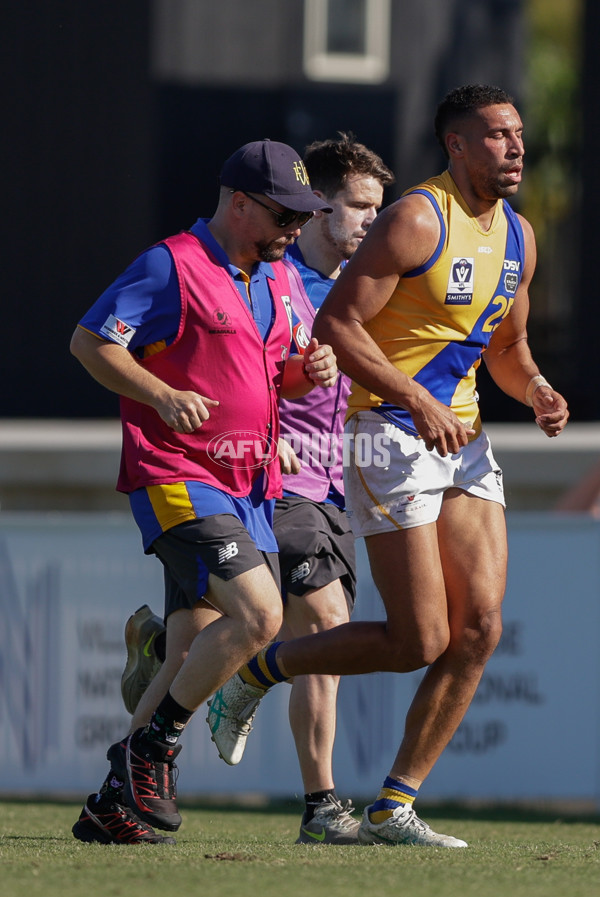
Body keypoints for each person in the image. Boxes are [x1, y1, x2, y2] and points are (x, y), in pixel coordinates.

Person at [202, 84, 570, 848]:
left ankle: (393, 805)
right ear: (458, 145)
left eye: (519, 135)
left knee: (480, 630)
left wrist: (533, 387)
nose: (515, 147)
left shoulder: (520, 238)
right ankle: (255, 673)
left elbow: (505, 347)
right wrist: (414, 397)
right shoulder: (415, 217)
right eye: (497, 135)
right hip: (390, 436)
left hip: (461, 441)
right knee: (417, 640)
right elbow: (337, 324)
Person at [69, 138, 337, 844]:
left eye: (304, 218)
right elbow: (92, 342)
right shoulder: (171, 265)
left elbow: (272, 377)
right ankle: (150, 751)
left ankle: (111, 805)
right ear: (239, 203)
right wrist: (160, 394)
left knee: (192, 646)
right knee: (259, 616)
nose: (295, 230)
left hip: (249, 483)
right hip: (178, 475)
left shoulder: (277, 275)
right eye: (285, 215)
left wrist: (311, 372)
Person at [206, 134, 395, 844]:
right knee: (323, 627)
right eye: (359, 206)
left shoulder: (368, 291)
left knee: (282, 638)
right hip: (275, 482)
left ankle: (160, 647)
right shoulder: (274, 283)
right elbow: (234, 374)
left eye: (379, 208)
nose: (372, 223)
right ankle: (320, 806)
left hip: (333, 487)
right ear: (315, 211)